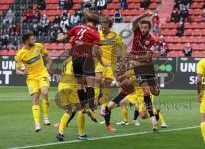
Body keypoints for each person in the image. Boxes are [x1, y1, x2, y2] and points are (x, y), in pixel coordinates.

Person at [57, 11, 109, 139]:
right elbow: (96, 50)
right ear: (96, 24)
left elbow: (62, 38)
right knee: (90, 82)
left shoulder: (77, 27)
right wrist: (102, 62)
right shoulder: (95, 33)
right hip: (86, 58)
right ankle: (90, 105)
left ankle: (84, 104)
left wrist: (59, 37)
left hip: (75, 58)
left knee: (80, 84)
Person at [116, 12, 160, 131]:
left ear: (149, 29)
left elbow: (147, 57)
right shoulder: (136, 32)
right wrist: (144, 15)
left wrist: (134, 57)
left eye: (145, 28)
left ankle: (155, 111)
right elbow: (133, 21)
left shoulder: (152, 41)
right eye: (142, 27)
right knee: (146, 92)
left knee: (154, 92)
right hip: (139, 68)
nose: (143, 29)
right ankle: (153, 119)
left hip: (148, 67)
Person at [15, 32, 52, 132]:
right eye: (32, 39)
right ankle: (37, 124)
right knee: (35, 98)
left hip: (42, 74)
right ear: (26, 41)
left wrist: (48, 68)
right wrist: (23, 73)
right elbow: (17, 70)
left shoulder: (38, 46)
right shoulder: (20, 54)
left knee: (45, 93)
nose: (34, 40)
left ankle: (46, 117)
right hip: (31, 78)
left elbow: (48, 58)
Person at [94, 16, 127, 120]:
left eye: (105, 27)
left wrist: (123, 59)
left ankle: (103, 107)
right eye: (102, 26)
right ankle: (94, 101)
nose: (103, 28)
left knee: (107, 85)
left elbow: (122, 47)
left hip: (110, 64)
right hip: (100, 62)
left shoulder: (115, 36)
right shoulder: (97, 34)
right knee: (98, 79)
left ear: (109, 26)